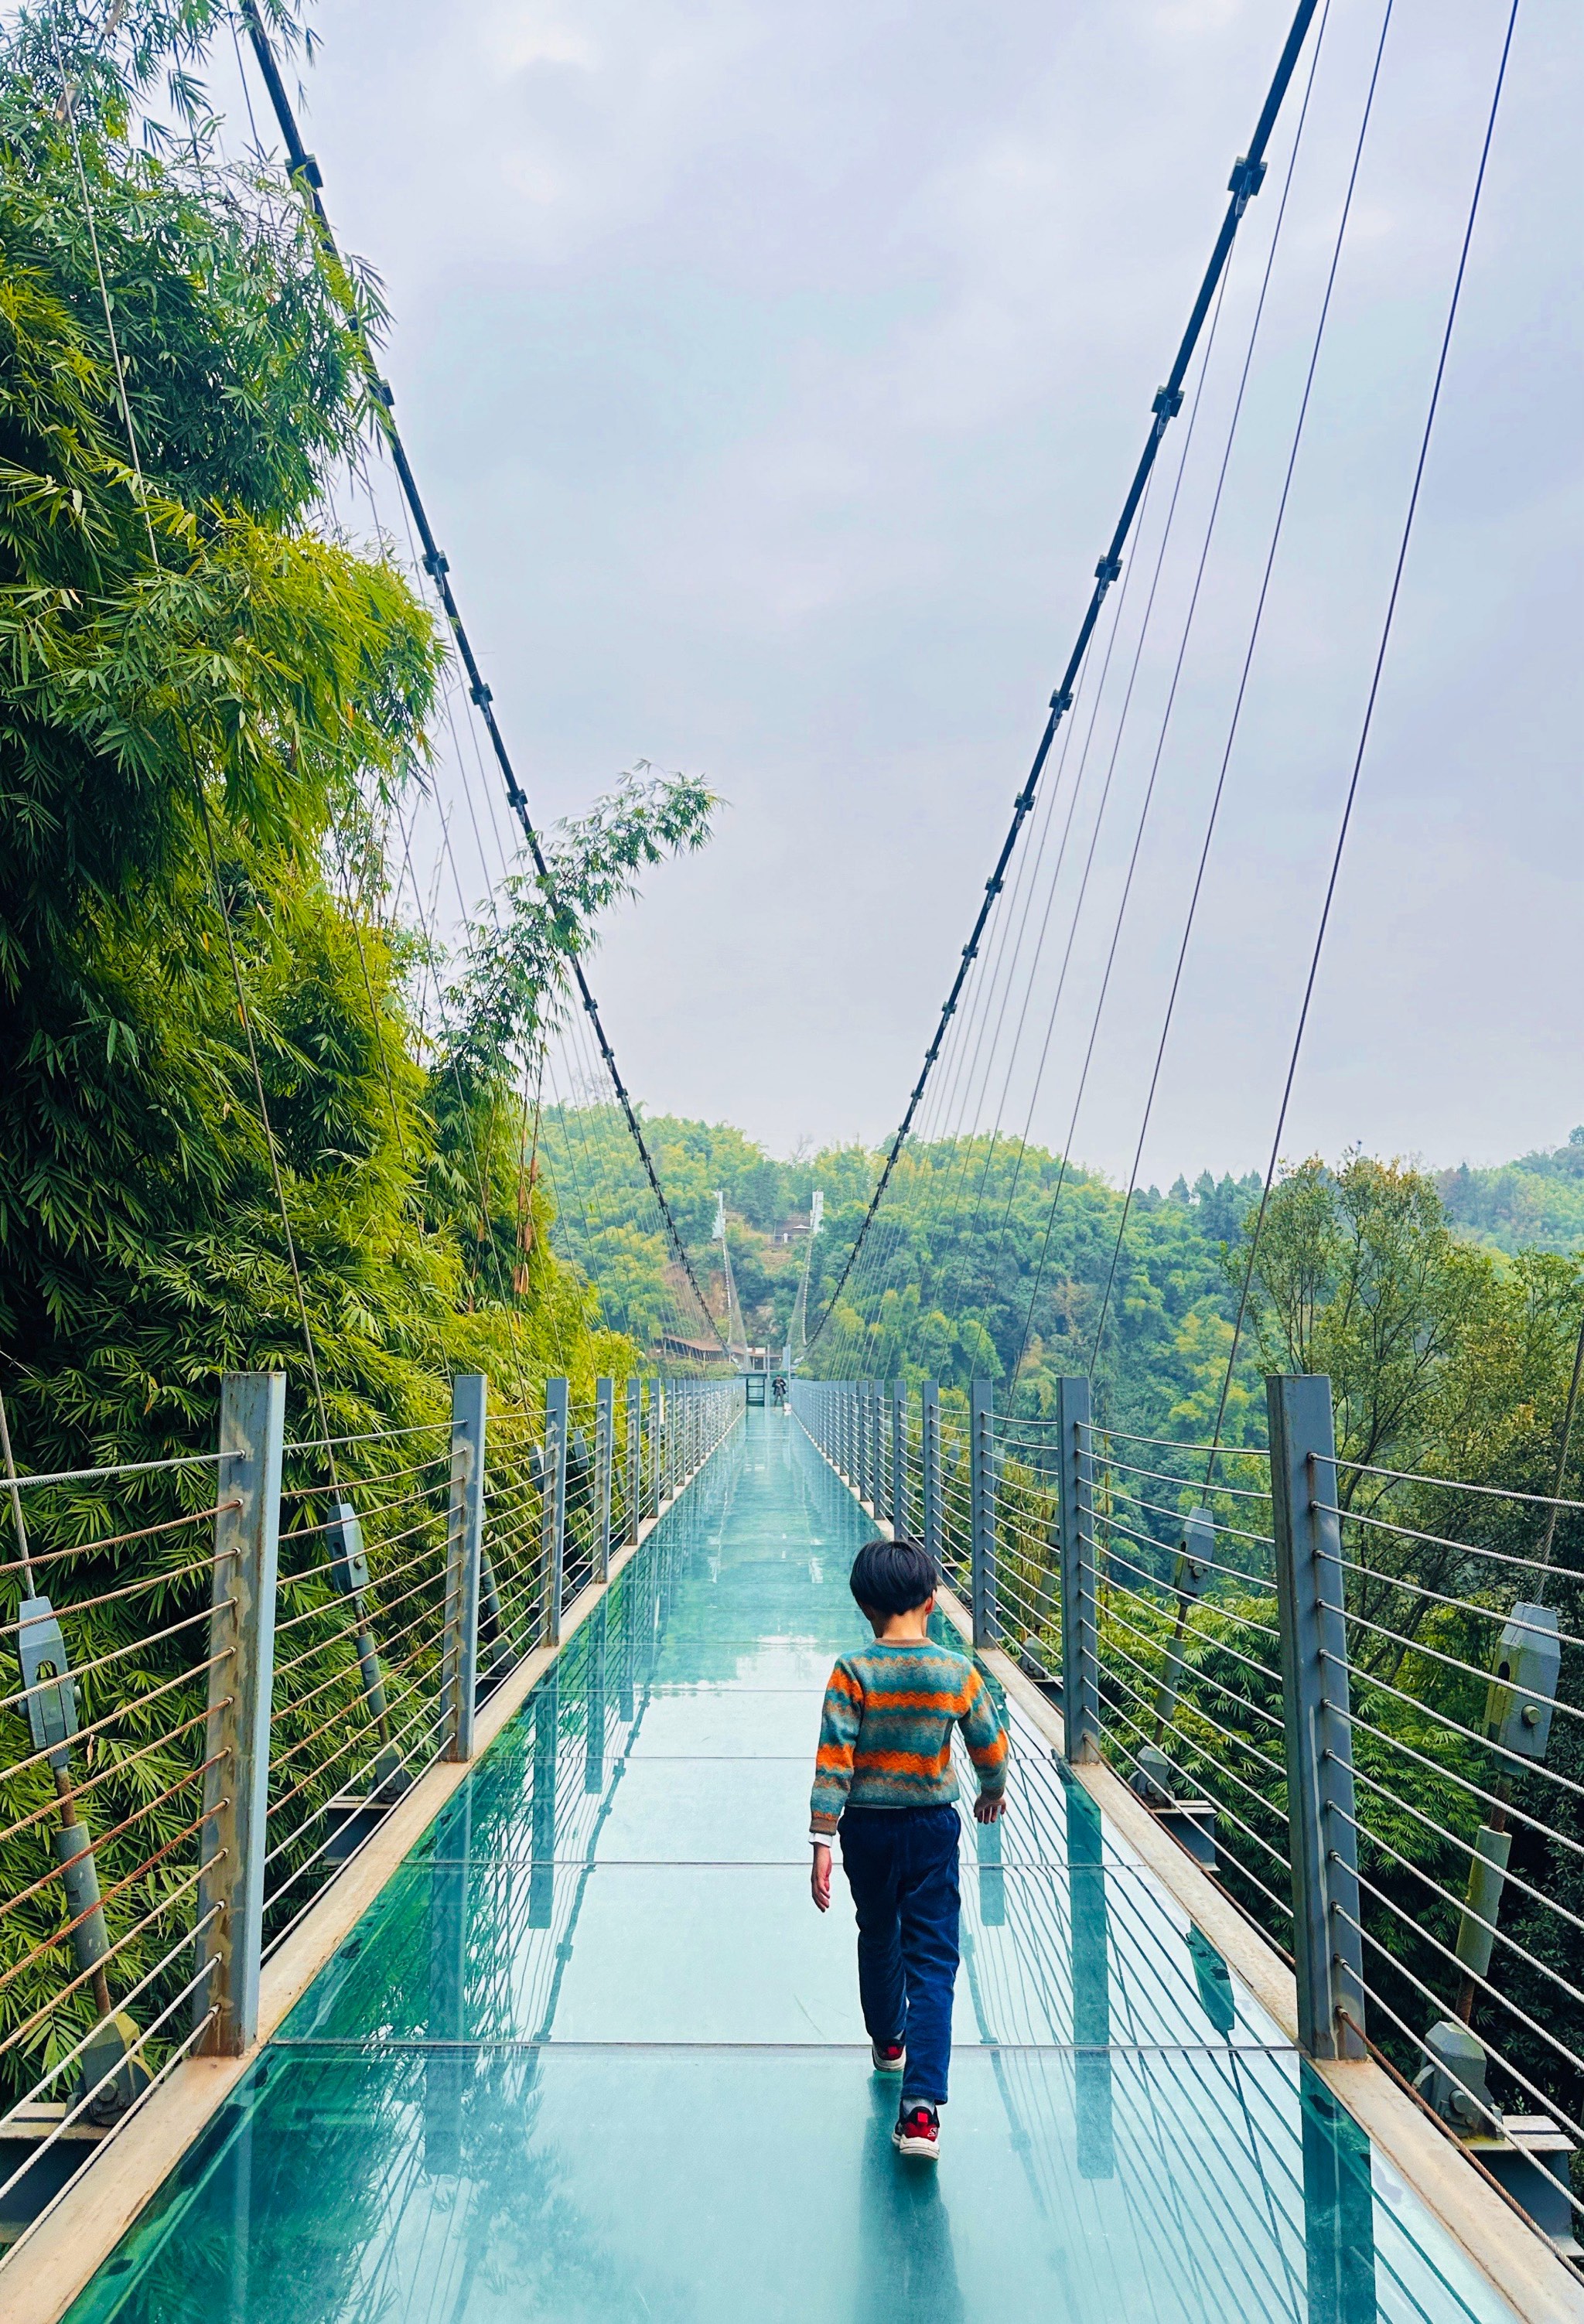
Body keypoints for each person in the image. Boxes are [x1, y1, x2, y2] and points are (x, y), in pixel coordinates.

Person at [809, 1537, 1009, 2161]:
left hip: (865, 1828)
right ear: (931, 1601)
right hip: (930, 1827)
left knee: (877, 1932)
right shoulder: (955, 1670)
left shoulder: (851, 1670)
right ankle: (921, 2111)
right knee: (933, 1960)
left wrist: (822, 1837)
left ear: (866, 1607)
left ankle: (889, 2043)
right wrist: (991, 1790)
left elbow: (833, 1759)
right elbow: (989, 1744)